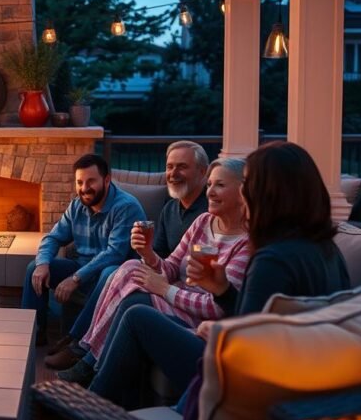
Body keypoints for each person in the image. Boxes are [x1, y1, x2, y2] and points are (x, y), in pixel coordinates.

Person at [88, 142, 351, 409]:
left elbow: (246, 346)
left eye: (248, 183)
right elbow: (262, 320)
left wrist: (214, 331)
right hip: (294, 374)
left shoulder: (271, 260)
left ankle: (91, 407)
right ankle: (116, 403)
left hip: (245, 384)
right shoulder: (327, 250)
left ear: (268, 193)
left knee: (137, 315)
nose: (244, 192)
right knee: (136, 304)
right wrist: (223, 290)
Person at [57, 158, 250, 385]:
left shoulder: (246, 243)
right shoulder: (203, 222)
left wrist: (165, 290)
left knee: (133, 302)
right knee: (130, 266)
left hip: (198, 317)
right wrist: (148, 254)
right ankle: (89, 355)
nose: (210, 192)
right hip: (177, 298)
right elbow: (170, 267)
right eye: (209, 185)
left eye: (220, 185)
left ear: (243, 191)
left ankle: (90, 361)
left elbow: (215, 306)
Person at [46, 141, 210, 364]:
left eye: (181, 167)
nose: (173, 173)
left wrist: (156, 273)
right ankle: (51, 340)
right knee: (38, 268)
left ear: (202, 172)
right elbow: (159, 255)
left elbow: (116, 253)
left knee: (115, 272)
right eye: (170, 167)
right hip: (161, 279)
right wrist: (148, 255)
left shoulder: (208, 216)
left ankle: (80, 347)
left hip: (181, 292)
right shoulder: (170, 209)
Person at [21, 154, 145, 346]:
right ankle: (33, 334)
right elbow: (53, 237)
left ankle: (77, 341)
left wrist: (75, 278)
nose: (84, 188)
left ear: (106, 180)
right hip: (82, 269)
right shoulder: (76, 206)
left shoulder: (126, 207)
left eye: (91, 181)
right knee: (33, 269)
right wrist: (42, 263)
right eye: (79, 182)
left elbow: (114, 254)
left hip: (114, 276)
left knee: (108, 272)